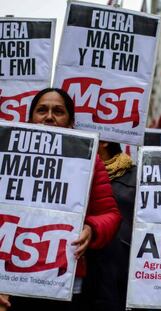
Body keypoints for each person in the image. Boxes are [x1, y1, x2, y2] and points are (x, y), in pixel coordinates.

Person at [3, 88, 121, 311]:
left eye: (58, 111)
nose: (49, 116)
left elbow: (111, 215)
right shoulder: (4, 153)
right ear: (29, 119)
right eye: (41, 110)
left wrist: (92, 229)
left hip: (61, 280)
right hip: (7, 280)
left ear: (70, 122)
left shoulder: (89, 159)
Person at [83, 141, 137, 311]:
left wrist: (91, 228)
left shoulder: (136, 176)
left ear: (105, 141)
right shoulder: (80, 169)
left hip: (115, 274)